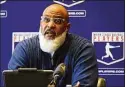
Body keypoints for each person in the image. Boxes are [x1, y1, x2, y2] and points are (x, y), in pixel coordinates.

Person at [8, 4, 98, 87]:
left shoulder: (83, 48)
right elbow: (14, 83)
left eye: (57, 21)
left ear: (67, 27)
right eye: (46, 20)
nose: (50, 25)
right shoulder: (24, 48)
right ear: (40, 23)